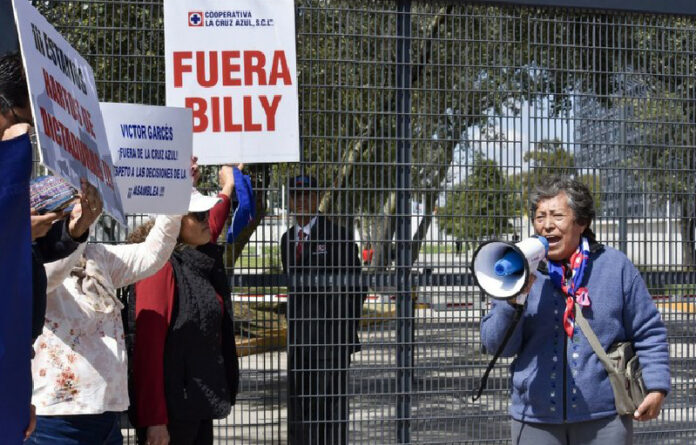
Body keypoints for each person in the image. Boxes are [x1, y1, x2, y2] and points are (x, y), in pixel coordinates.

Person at [480, 176, 670, 445]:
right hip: (534, 419)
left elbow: (648, 331)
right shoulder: (518, 270)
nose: (547, 226)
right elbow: (496, 344)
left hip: (605, 417)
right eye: (539, 217)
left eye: (557, 216)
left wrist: (657, 386)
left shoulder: (615, 267)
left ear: (582, 222)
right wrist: (511, 302)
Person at [28, 180, 183, 445]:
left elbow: (152, 254)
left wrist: (175, 200)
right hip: (54, 418)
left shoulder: (97, 256)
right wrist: (76, 232)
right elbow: (52, 272)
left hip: (106, 412)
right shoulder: (28, 263)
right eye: (68, 206)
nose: (80, 207)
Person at [132, 165, 245, 445]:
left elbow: (211, 223)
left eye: (207, 212)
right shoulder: (159, 268)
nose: (208, 219)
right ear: (172, 223)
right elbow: (148, 348)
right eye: (198, 215)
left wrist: (227, 187)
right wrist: (155, 420)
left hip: (196, 404)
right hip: (171, 418)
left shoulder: (195, 254)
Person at [280, 175, 363, 445]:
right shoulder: (287, 239)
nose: (301, 200)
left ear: (318, 199)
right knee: (299, 410)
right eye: (296, 195)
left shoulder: (338, 236)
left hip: (330, 342)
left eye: (308, 195)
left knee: (329, 413)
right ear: (289, 201)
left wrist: (343, 333)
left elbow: (356, 288)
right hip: (300, 342)